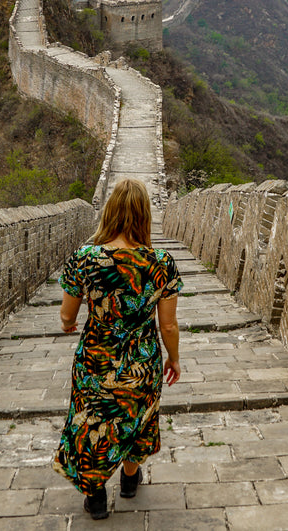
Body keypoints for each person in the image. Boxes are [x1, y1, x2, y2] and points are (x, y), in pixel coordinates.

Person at [53, 178, 182, 520]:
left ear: (109, 213)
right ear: (145, 215)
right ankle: (128, 480)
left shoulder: (85, 258)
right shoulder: (161, 262)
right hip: (142, 360)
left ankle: (95, 496)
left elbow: (67, 314)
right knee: (136, 419)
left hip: (96, 359)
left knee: (93, 421)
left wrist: (68, 324)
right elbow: (167, 325)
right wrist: (174, 358)